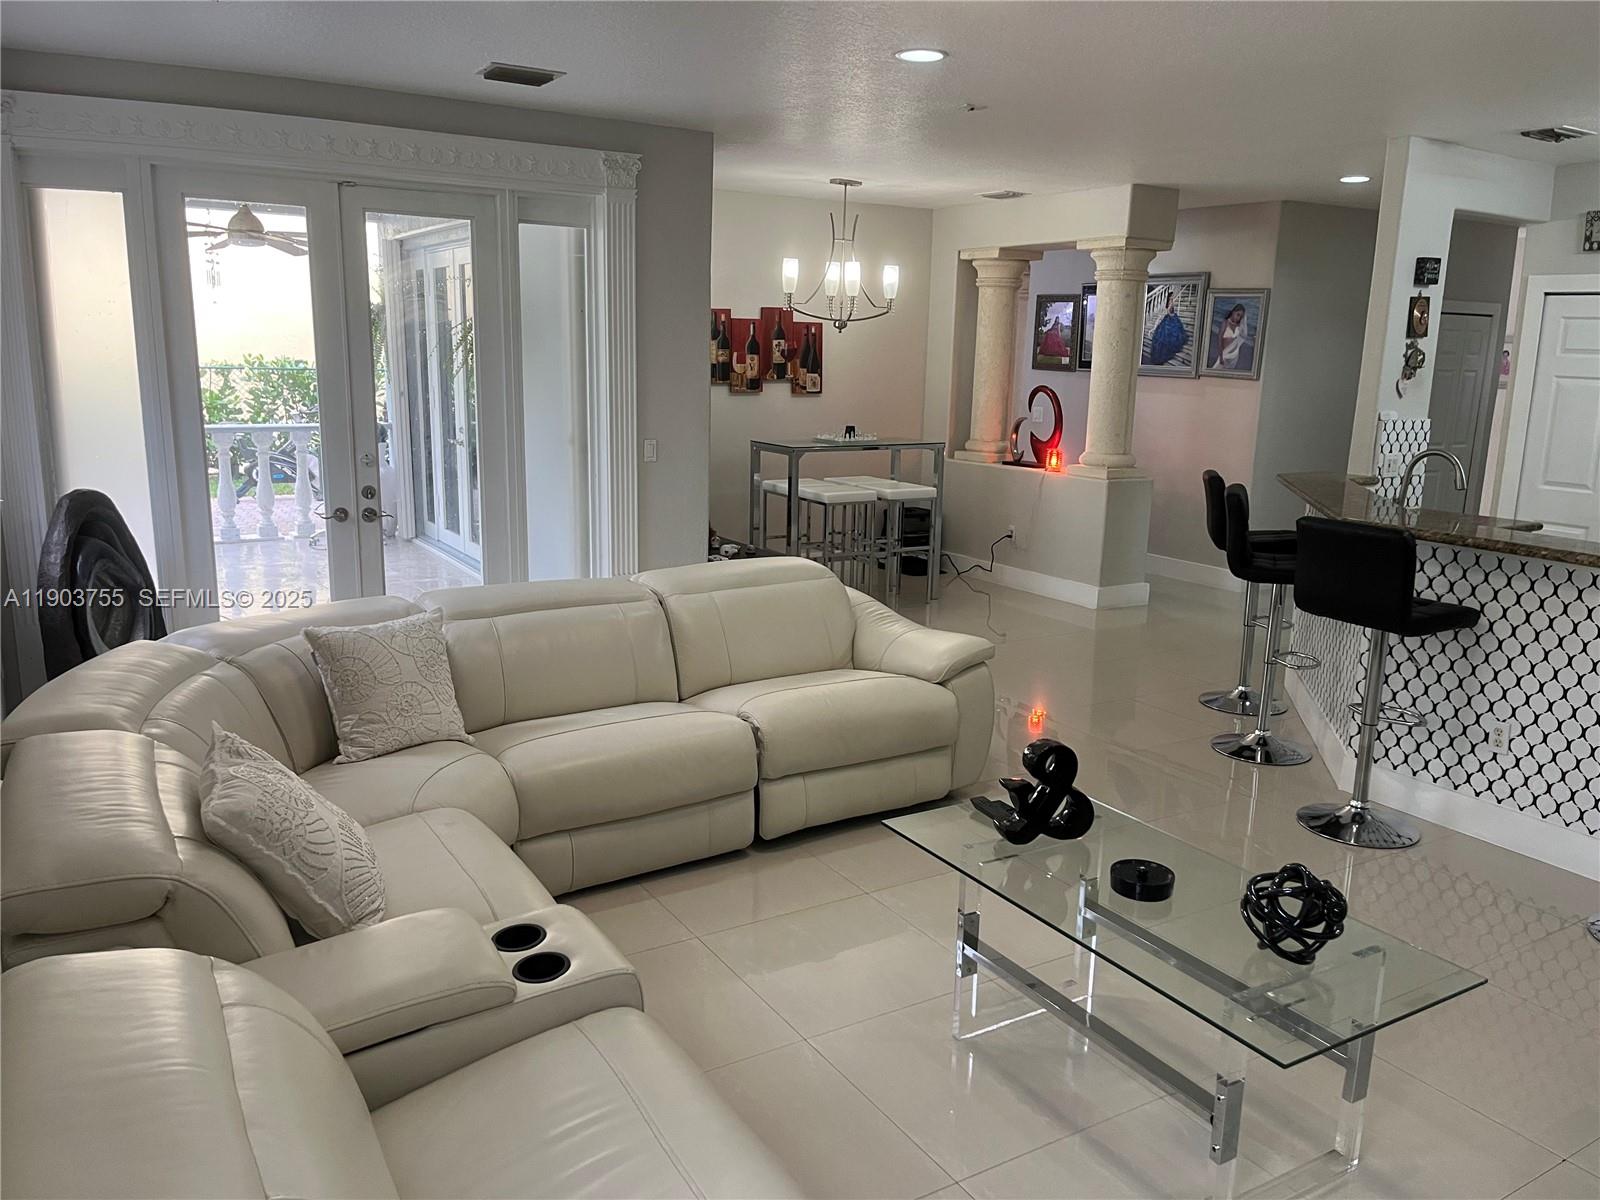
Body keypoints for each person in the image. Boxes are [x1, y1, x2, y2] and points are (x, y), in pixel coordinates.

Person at [1210, 303, 1251, 371]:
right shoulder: (1225, 323)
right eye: (1238, 314)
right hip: (1225, 354)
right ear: (1233, 311)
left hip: (1234, 356)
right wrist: (1221, 357)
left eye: (1240, 317)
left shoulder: (1239, 327)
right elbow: (1219, 340)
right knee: (1216, 370)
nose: (1238, 318)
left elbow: (1244, 336)